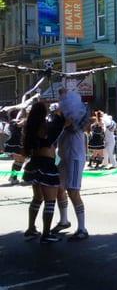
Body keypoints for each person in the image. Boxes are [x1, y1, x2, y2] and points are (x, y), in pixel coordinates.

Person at [22, 101, 65, 243]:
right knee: (50, 201)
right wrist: (60, 113)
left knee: (37, 198)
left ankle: (31, 228)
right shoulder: (44, 127)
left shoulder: (30, 127)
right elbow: (61, 125)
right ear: (42, 113)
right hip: (46, 165)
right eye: (46, 109)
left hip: (34, 163)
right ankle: (46, 234)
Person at [52, 91, 90, 241]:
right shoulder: (63, 119)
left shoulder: (75, 120)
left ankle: (82, 228)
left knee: (73, 191)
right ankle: (64, 221)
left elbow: (69, 124)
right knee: (59, 188)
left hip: (75, 158)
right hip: (63, 157)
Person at [4, 110, 26, 185]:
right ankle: (14, 177)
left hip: (19, 143)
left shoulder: (16, 121)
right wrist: (25, 119)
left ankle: (13, 177)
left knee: (19, 161)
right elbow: (19, 124)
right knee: (19, 161)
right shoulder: (13, 121)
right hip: (15, 144)